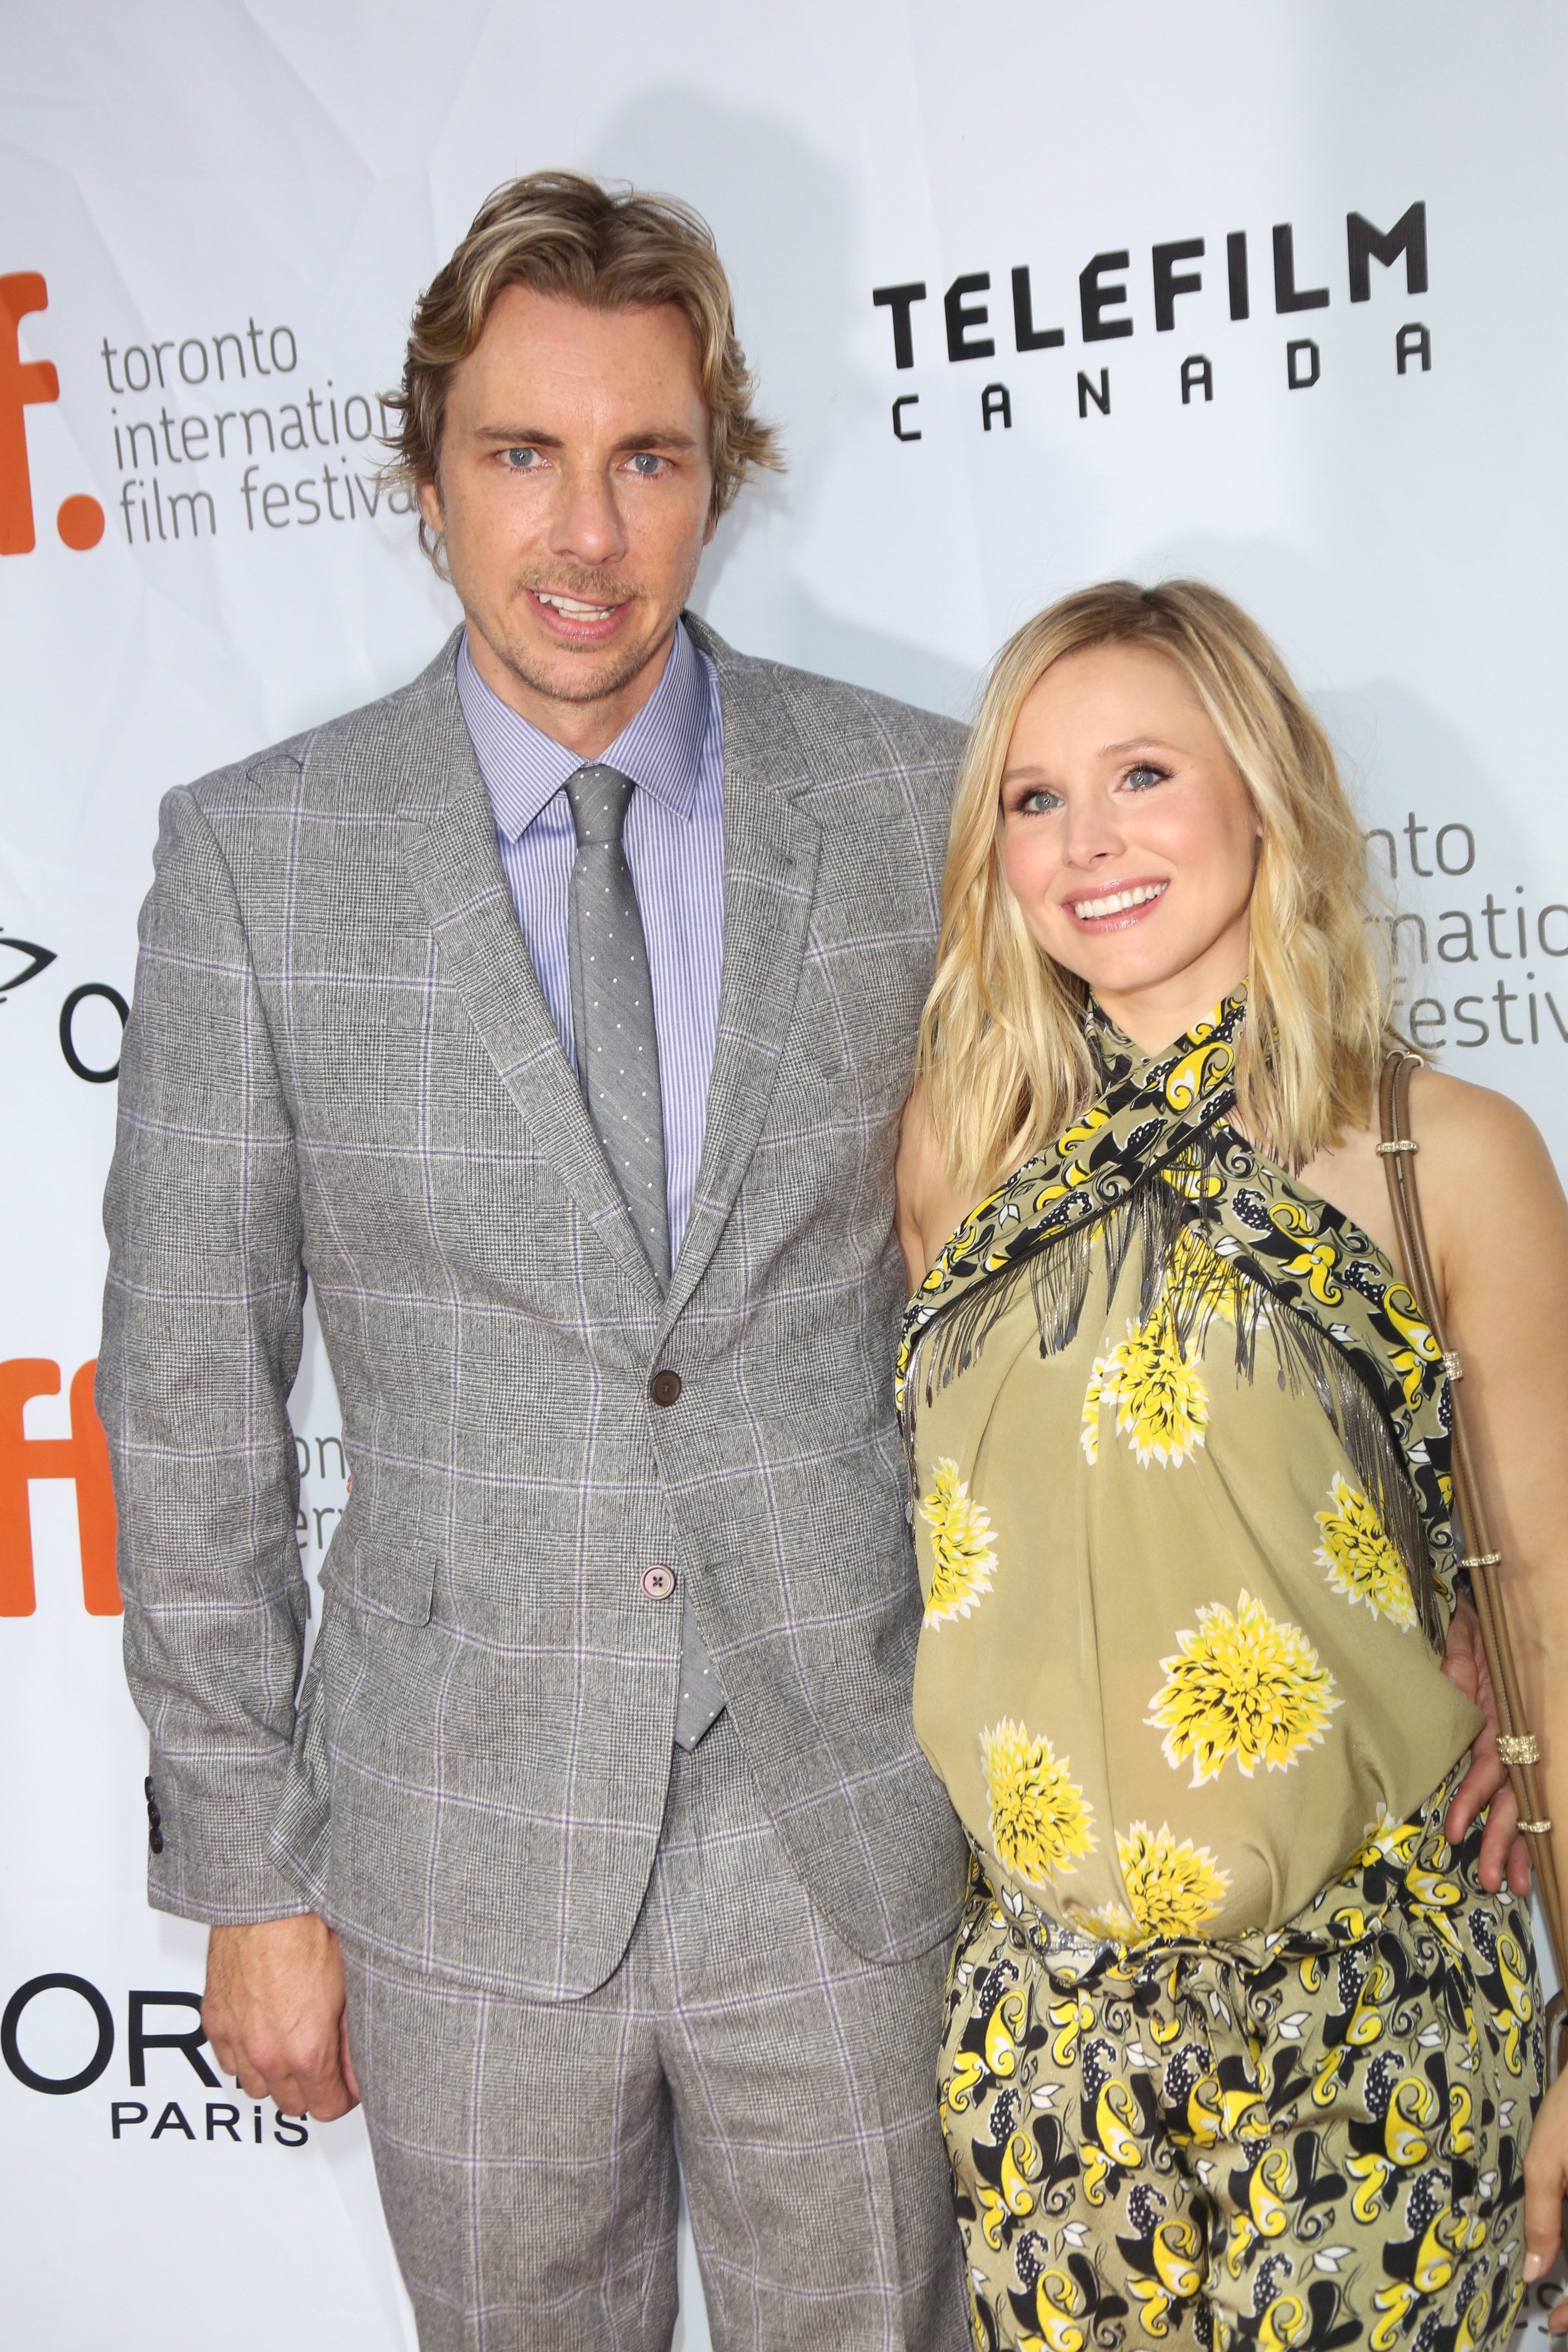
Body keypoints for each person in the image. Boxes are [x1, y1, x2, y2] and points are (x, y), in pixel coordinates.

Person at [98, 170, 974, 2351]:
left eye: (646, 460)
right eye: (522, 455)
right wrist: (252, 1875)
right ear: (425, 482)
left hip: (849, 1821)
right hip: (458, 1845)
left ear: (717, 480)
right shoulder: (257, 860)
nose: (586, 532)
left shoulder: (920, 810)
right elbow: (192, 1389)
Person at [894, 579, 1568, 2350]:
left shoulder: (1443, 1150)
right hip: (1051, 2051)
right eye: (1034, 797)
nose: (1088, 842)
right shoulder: (956, 1158)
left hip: (1383, 2023)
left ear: (1264, 794)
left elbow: (1554, 1606)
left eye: (1141, 774)